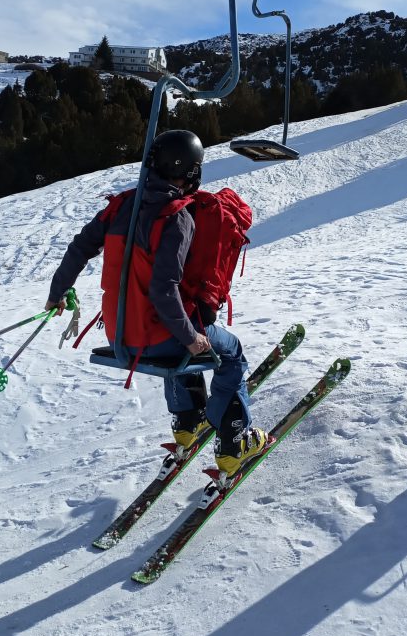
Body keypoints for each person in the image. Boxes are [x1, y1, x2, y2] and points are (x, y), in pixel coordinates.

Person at [45, 129, 267, 477]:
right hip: (156, 338)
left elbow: (79, 247)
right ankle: (234, 444)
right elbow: (164, 290)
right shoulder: (177, 216)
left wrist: (57, 293)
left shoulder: (121, 206)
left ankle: (187, 421)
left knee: (177, 339)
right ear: (191, 171)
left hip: (120, 337)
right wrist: (192, 339)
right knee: (229, 352)